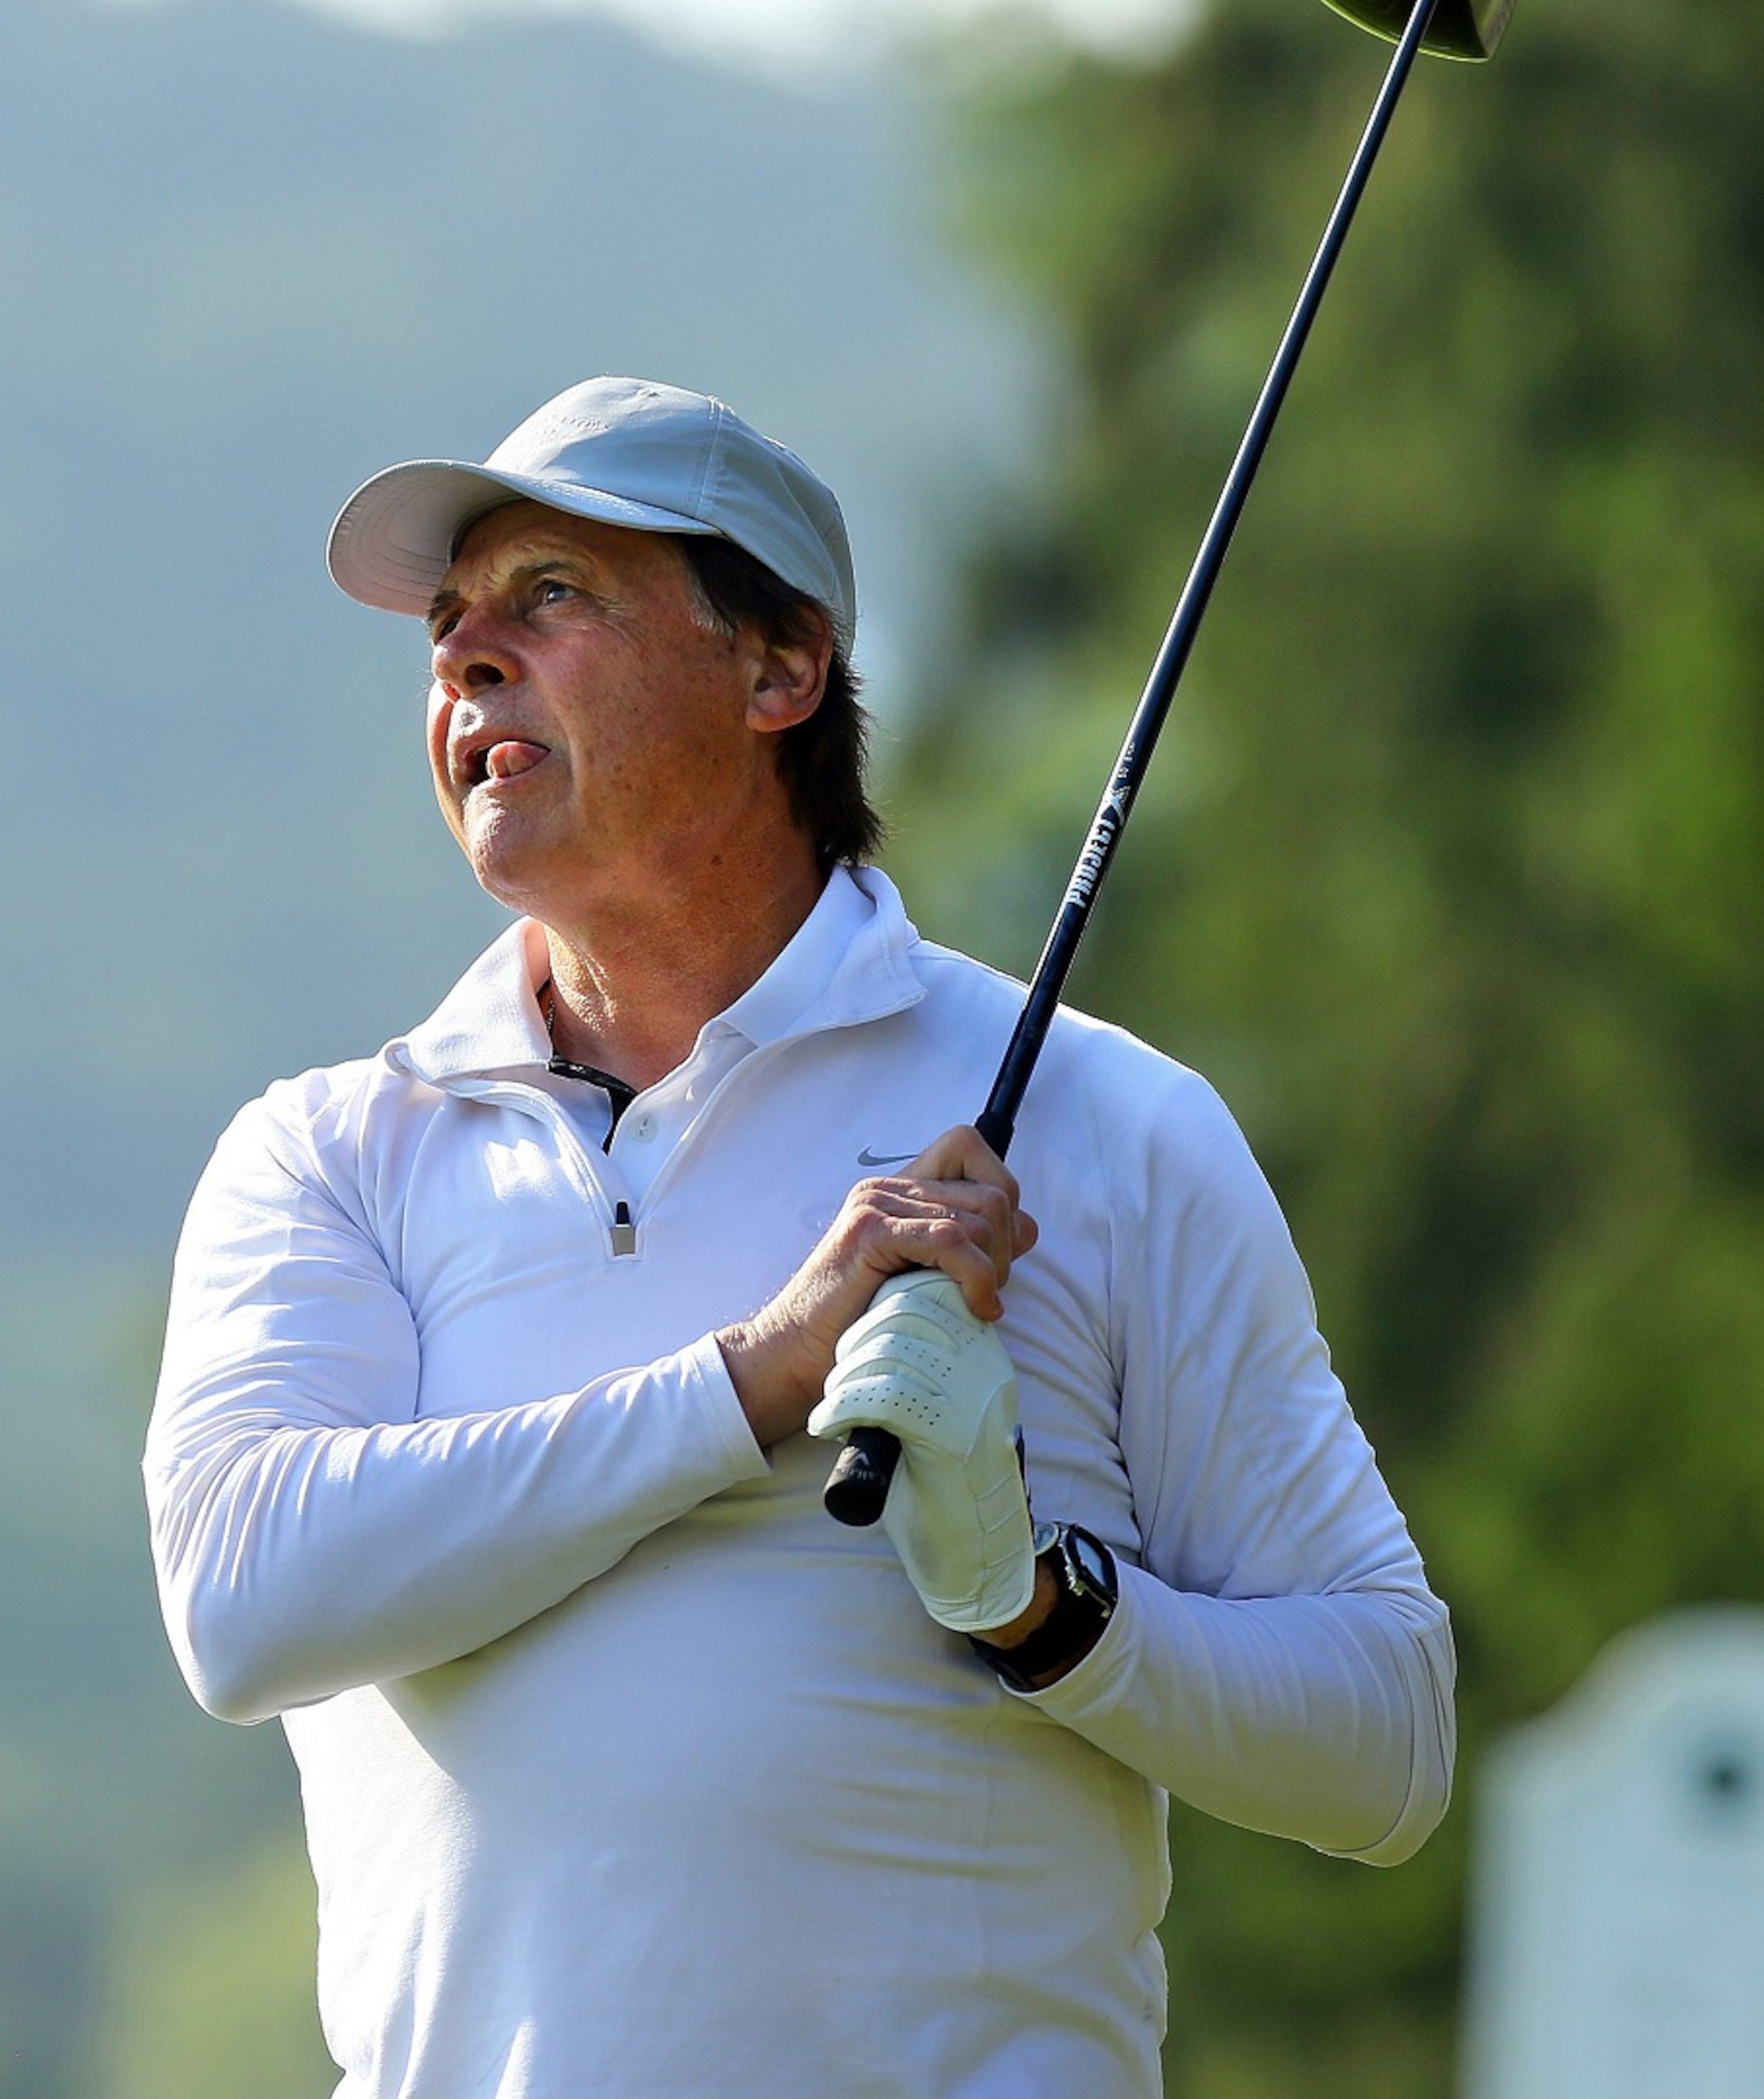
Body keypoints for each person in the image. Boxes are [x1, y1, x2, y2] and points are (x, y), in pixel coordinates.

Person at [145, 374, 1453, 2099]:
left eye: (551, 597)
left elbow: (1388, 1740)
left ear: (780, 670)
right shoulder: (329, 1155)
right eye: (451, 625)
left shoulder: (1103, 1124)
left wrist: (1039, 1608)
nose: (466, 659)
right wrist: (759, 1376)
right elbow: (248, 1600)